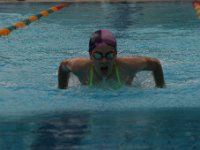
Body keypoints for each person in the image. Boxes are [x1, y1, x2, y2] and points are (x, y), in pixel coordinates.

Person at [58, 29, 165, 89]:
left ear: (115, 55)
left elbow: (155, 64)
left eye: (109, 55)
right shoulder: (80, 67)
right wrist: (62, 89)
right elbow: (63, 66)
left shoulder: (128, 66)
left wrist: (160, 88)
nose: (104, 60)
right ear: (90, 55)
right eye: (98, 55)